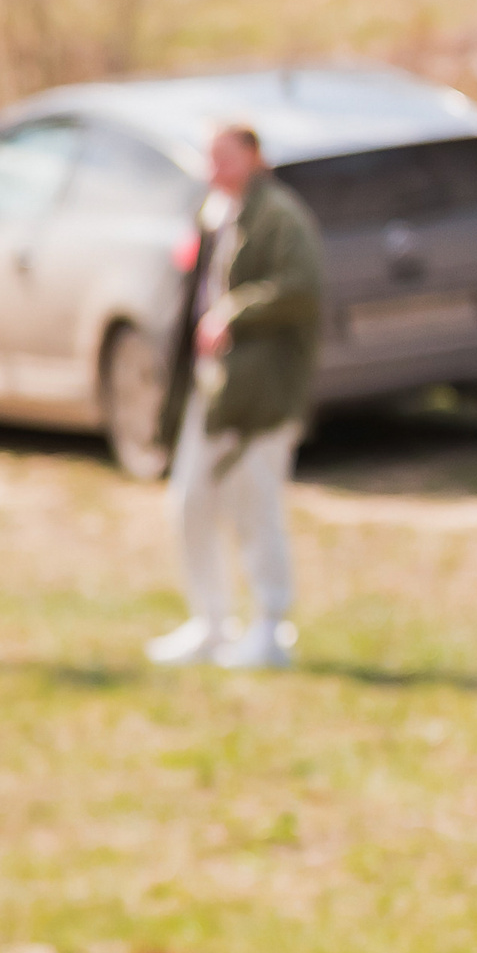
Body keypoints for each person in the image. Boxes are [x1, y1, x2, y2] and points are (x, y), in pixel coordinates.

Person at [146, 122, 323, 671]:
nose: (213, 169)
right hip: (212, 385)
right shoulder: (214, 213)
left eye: (224, 157)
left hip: (261, 388)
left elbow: (301, 287)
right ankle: (211, 623)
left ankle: (271, 629)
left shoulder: (279, 216)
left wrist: (236, 314)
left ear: (253, 156)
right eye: (209, 157)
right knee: (190, 500)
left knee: (255, 504)